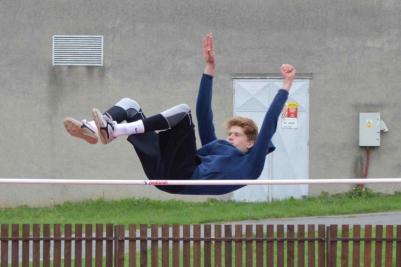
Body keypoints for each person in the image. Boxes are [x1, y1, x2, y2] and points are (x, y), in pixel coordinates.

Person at [64, 33, 296, 195]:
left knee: (182, 113)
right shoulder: (217, 148)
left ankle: (115, 130)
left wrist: (286, 85)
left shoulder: (251, 165)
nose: (230, 137)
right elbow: (204, 113)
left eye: (236, 135)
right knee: (130, 105)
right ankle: (94, 130)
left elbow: (268, 126)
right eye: (231, 133)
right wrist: (209, 69)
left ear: (251, 143)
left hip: (183, 175)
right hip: (163, 171)